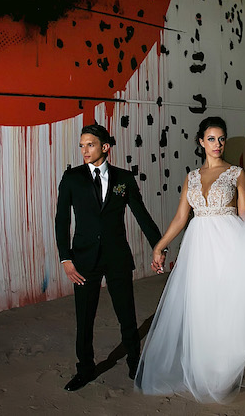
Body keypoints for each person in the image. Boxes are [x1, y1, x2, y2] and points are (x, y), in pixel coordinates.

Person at [134, 116, 245, 403]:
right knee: (202, 308)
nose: (217, 144)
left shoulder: (236, 173)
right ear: (201, 142)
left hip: (229, 244)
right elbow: (180, 218)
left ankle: (228, 371)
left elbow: (244, 215)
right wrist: (159, 246)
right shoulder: (191, 177)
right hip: (199, 248)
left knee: (230, 307)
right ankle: (208, 371)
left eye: (221, 138)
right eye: (211, 138)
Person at [55, 123, 164, 391]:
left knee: (127, 314)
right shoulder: (72, 178)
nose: (84, 150)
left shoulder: (124, 179)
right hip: (83, 261)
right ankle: (86, 368)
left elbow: (142, 215)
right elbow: (61, 220)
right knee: (85, 318)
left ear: (105, 147)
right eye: (81, 145)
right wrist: (65, 259)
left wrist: (158, 246)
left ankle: (135, 362)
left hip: (117, 257)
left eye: (90, 144)